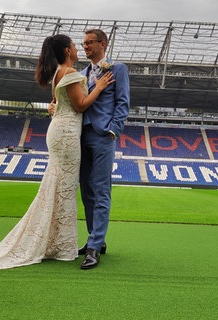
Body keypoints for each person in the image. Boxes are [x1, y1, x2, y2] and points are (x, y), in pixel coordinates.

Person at [0, 34, 114, 269]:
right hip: (67, 135)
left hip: (62, 131)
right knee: (65, 188)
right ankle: (59, 243)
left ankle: (56, 241)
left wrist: (54, 108)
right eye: (74, 45)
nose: (78, 48)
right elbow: (80, 105)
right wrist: (99, 87)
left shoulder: (61, 72)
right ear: (66, 50)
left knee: (60, 186)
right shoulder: (70, 73)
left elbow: (59, 103)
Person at [77, 29, 130, 269]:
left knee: (101, 190)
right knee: (87, 191)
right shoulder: (81, 74)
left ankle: (94, 247)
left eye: (90, 43)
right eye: (83, 43)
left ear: (103, 43)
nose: (85, 46)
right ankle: (95, 239)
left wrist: (112, 130)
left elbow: (122, 102)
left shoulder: (117, 69)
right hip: (80, 136)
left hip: (102, 136)